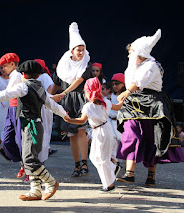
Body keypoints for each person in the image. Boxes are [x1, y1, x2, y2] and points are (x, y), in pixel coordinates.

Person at [0, 60, 69, 200]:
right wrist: (64, 115)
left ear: (23, 74)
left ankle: (51, 182)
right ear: (38, 76)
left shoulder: (24, 87)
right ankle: (35, 190)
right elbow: (52, 104)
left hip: (30, 127)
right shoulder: (39, 88)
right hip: (34, 125)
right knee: (29, 157)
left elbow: (7, 94)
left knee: (29, 158)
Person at [116, 29, 184, 186]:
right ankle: (129, 173)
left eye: (131, 52)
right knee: (130, 134)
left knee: (152, 139)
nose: (129, 55)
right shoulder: (132, 65)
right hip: (133, 103)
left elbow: (140, 81)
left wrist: (126, 92)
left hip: (151, 103)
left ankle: (151, 175)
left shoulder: (152, 65)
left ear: (139, 53)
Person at [65, 77, 123, 193]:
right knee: (95, 157)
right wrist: (123, 99)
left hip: (100, 132)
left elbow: (81, 121)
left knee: (101, 159)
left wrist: (69, 119)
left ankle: (109, 185)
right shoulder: (106, 102)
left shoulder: (89, 106)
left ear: (87, 91)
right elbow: (117, 107)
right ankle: (113, 169)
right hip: (105, 130)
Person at [52, 22, 92, 177]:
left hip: (81, 98)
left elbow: (80, 81)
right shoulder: (62, 66)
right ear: (72, 51)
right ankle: (76, 164)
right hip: (67, 101)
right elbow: (55, 83)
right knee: (71, 134)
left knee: (81, 131)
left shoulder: (86, 65)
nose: (81, 52)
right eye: (78, 50)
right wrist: (49, 98)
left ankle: (84, 163)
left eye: (83, 50)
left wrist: (63, 92)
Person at [34, 59, 56, 162]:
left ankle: (41, 158)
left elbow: (49, 92)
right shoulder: (34, 78)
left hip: (44, 107)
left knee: (44, 130)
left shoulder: (44, 77)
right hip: (37, 106)